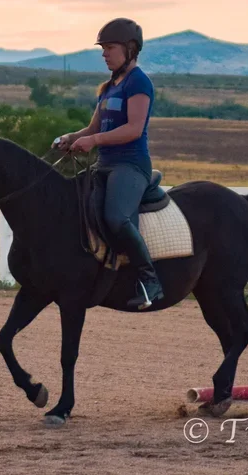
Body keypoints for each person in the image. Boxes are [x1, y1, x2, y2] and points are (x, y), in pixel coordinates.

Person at [54, 18, 164, 310]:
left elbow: (133, 129)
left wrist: (95, 141)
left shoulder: (139, 82)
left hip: (130, 166)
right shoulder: (108, 88)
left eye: (109, 48)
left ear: (130, 49)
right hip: (104, 165)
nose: (104, 54)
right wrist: (71, 137)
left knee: (117, 218)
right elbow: (92, 128)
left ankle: (149, 280)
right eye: (103, 48)